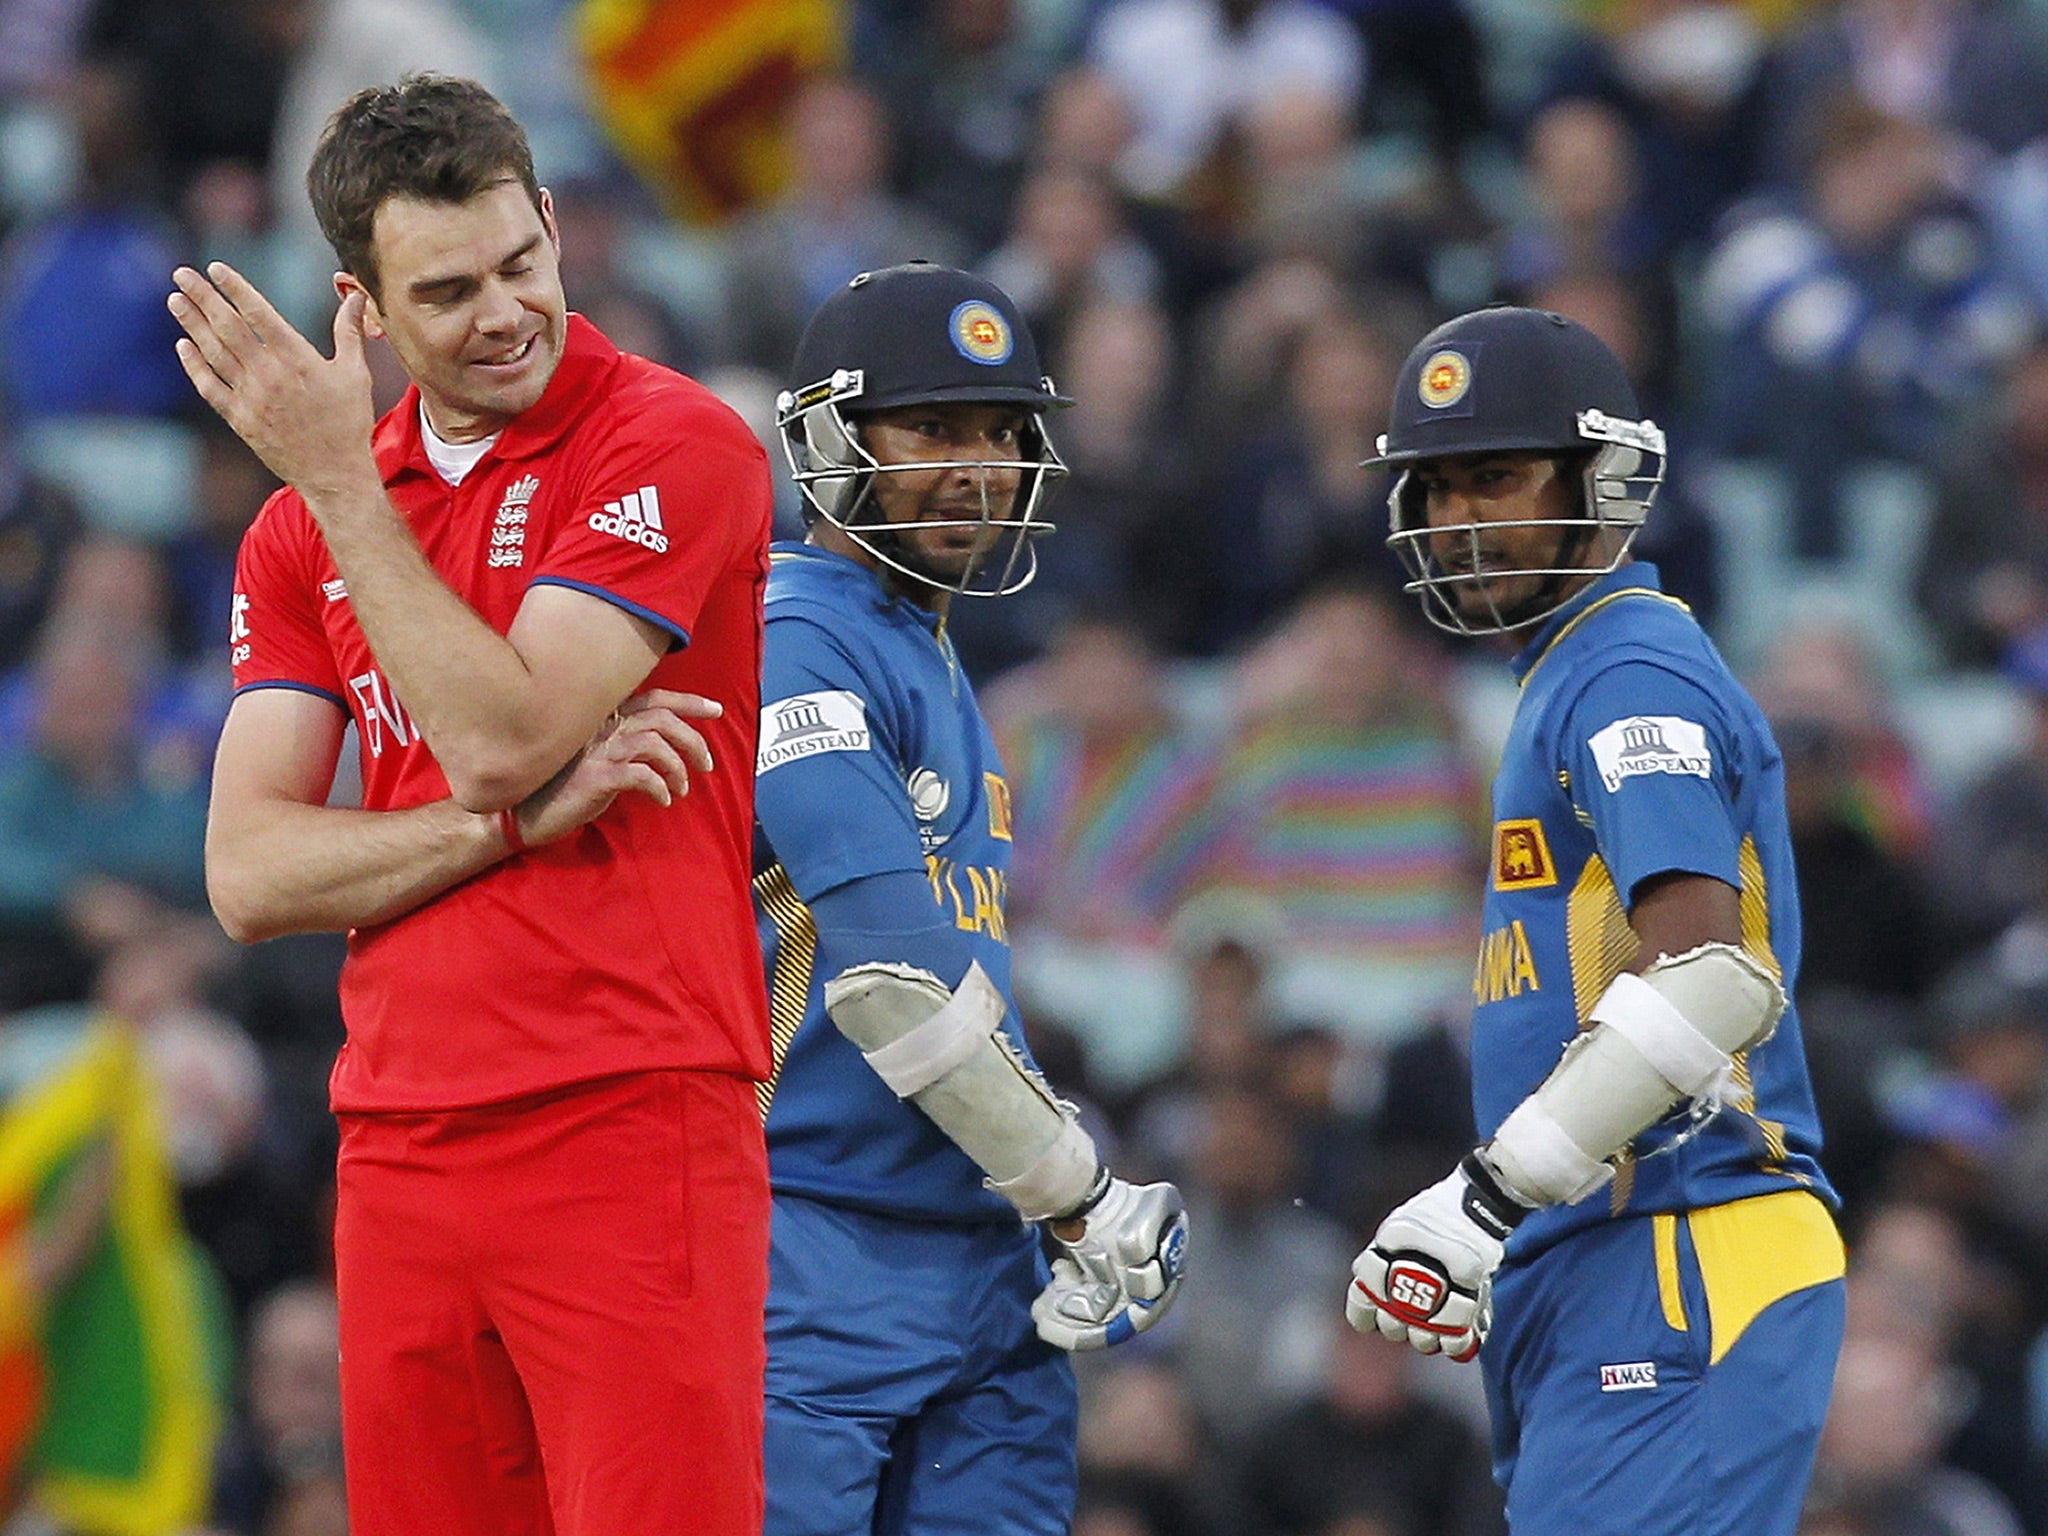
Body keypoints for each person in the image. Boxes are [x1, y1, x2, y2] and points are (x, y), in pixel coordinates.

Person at [164, 75, 773, 1536]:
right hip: (397, 1141)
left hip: (631, 1111)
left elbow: (502, 737)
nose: (506, 313)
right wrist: (500, 832)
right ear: (364, 309)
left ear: (556, 225)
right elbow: (250, 875)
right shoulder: (297, 528)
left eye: (523, 264)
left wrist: (336, 479)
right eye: (448, 290)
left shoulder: (673, 443)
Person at [1343, 306, 1846, 1536]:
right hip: (1607, 1252)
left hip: (1679, 1242)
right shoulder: (1570, 668)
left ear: (1596, 482)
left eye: (1497, 478)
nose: (1462, 519)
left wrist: (1482, 1201)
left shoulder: (1621, 670)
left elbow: (1707, 982)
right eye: (1440, 487)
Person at [754, 261, 1188, 1535]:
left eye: (1000, 434)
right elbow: (895, 985)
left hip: (979, 1246)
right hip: (807, 1238)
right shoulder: (797, 635)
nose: (977, 465)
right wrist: (1081, 1194)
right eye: (932, 428)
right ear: (835, 441)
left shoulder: (928, 648)